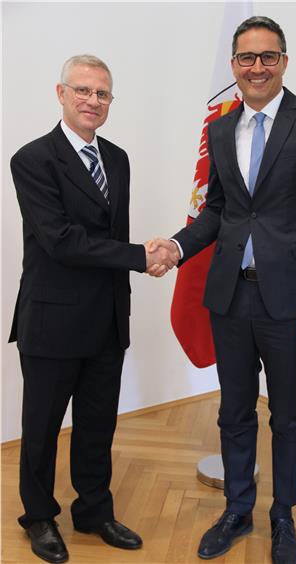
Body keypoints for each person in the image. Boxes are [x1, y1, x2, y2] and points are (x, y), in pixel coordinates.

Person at [150, 16, 296, 564]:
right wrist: (176, 246)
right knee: (234, 411)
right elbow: (217, 210)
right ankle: (237, 509)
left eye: (268, 56)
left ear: (284, 61)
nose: (257, 67)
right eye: (246, 58)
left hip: (291, 301)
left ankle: (282, 515)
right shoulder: (221, 129)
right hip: (229, 297)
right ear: (234, 65)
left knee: (287, 415)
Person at [9, 54, 178, 564]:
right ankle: (39, 515)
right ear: (59, 94)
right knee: (41, 428)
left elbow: (106, 235)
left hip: (106, 317)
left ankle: (93, 510)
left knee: (97, 423)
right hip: (53, 318)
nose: (92, 101)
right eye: (82, 90)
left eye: (102, 93)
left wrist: (140, 257)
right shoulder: (32, 160)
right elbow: (62, 241)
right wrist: (140, 257)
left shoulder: (118, 158)